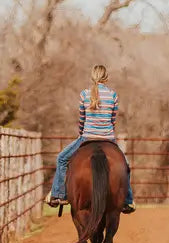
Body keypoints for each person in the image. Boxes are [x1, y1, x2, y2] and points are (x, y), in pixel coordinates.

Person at [46, 64, 136, 213]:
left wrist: (82, 132)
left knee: (62, 158)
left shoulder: (84, 95)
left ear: (92, 76)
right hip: (108, 138)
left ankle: (58, 194)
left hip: (87, 136)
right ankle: (127, 200)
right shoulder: (113, 95)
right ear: (106, 78)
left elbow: (82, 119)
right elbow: (113, 120)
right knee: (125, 165)